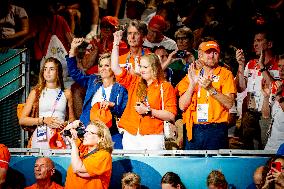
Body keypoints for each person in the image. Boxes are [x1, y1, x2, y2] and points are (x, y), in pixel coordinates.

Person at [111, 30, 177, 150]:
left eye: (145, 67)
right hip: (130, 134)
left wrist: (148, 111)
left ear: (155, 68)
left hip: (153, 136)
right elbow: (115, 68)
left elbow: (171, 115)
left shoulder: (165, 86)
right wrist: (116, 44)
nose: (141, 70)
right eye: (140, 66)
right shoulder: (134, 81)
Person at [67, 38, 128, 149]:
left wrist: (113, 105)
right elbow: (75, 74)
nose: (103, 68)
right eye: (100, 65)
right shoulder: (93, 81)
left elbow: (124, 110)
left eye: (107, 65)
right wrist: (72, 51)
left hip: (111, 133)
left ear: (113, 67)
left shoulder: (121, 88)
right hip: (89, 131)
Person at [177, 40, 236, 150]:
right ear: (200, 55)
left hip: (216, 129)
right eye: (208, 52)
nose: (212, 56)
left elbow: (229, 103)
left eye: (215, 53)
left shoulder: (226, 74)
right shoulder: (192, 74)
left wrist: (211, 89)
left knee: (215, 166)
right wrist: (192, 85)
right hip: (194, 128)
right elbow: (182, 106)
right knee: (193, 166)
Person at [236, 26, 280, 149]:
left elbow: (275, 87)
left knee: (267, 150)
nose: (255, 44)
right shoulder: (250, 64)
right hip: (250, 114)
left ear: (269, 44)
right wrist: (240, 65)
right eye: (254, 41)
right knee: (247, 151)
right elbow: (241, 88)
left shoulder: (279, 65)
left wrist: (262, 67)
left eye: (259, 41)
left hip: (270, 115)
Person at [19, 57, 75, 149]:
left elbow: (72, 119)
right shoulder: (36, 92)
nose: (47, 72)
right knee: (42, 162)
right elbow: (22, 120)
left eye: (51, 69)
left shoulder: (67, 93)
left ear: (58, 72)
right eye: (45, 69)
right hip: (41, 135)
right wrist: (44, 120)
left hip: (61, 135)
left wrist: (65, 124)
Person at [64, 120, 113, 189]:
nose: (85, 135)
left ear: (101, 138)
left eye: (89, 133)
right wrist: (72, 125)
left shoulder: (104, 155)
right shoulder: (84, 149)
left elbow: (77, 169)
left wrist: (73, 144)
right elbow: (66, 132)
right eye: (85, 132)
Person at [261, 54, 284, 151]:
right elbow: (265, 115)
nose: (281, 70)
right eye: (279, 66)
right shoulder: (277, 85)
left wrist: (279, 96)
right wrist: (266, 97)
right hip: (272, 143)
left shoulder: (278, 88)